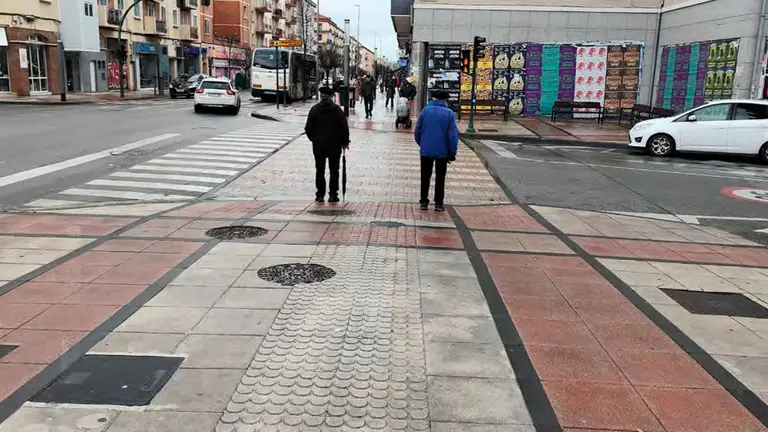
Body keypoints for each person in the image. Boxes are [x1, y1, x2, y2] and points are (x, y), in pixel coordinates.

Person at [414, 90, 458, 212]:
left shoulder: (425, 111)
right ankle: (438, 203)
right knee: (440, 178)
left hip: (426, 150)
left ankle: (423, 201)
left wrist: (422, 143)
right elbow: (452, 136)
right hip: (442, 152)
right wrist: (452, 153)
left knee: (425, 176)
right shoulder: (449, 114)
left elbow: (417, 131)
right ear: (445, 100)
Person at [305, 86, 350, 203]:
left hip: (318, 145)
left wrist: (314, 139)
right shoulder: (337, 110)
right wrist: (345, 142)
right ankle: (333, 195)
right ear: (331, 97)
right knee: (334, 169)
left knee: (320, 169)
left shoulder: (314, 110)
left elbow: (308, 128)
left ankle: (320, 195)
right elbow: (344, 128)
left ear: (321, 96)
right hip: (334, 145)